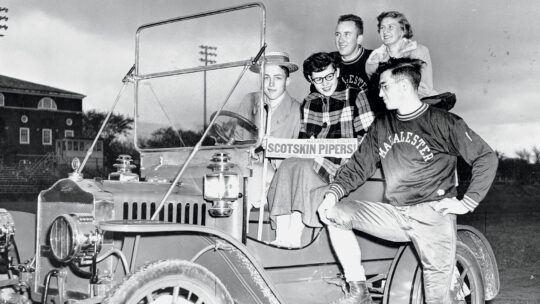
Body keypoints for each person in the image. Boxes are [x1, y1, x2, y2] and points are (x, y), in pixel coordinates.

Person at [317, 58, 498, 304]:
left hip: (433, 216)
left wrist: (467, 202)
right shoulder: (382, 125)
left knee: (438, 300)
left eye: (384, 86)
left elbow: (486, 157)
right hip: (396, 214)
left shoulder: (443, 121)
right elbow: (359, 165)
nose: (379, 94)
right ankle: (359, 290)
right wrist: (332, 195)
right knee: (334, 213)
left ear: (403, 86)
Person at [267, 52, 375, 247]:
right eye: (318, 80)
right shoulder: (309, 102)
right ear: (310, 79)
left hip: (344, 164)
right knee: (288, 165)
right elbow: (303, 140)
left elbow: (368, 138)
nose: (325, 83)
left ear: (338, 72)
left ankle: (294, 236)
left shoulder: (356, 96)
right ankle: (281, 234)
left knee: (302, 167)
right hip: (314, 159)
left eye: (329, 76)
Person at [234, 51, 302, 209]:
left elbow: (299, 157)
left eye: (278, 78)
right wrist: (247, 151)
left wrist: (275, 149)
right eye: (266, 77)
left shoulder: (297, 110)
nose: (271, 84)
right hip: (246, 171)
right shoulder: (249, 101)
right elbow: (237, 142)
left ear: (288, 81)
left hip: (278, 179)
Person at [366, 11, 438, 98]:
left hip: (417, 101)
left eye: (390, 27)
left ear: (403, 30)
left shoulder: (419, 51)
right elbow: (375, 91)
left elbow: (424, 89)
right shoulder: (374, 60)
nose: (385, 32)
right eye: (382, 28)